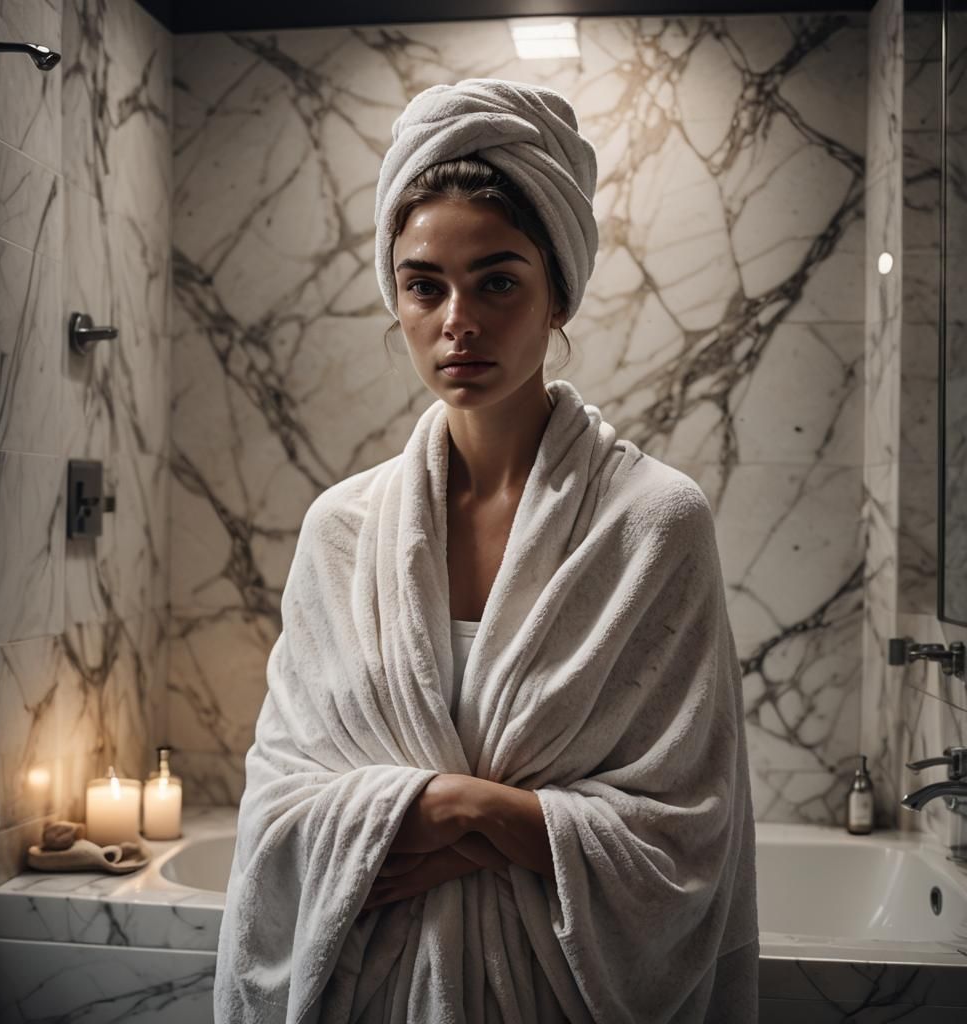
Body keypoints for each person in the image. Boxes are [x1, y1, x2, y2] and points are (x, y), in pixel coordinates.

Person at [214, 78, 759, 1023]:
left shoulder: (654, 523)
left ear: (557, 297)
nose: (457, 321)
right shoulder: (341, 531)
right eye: (425, 285)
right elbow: (277, 813)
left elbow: (690, 836)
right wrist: (500, 817)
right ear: (398, 299)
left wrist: (466, 811)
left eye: (497, 281)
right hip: (374, 991)